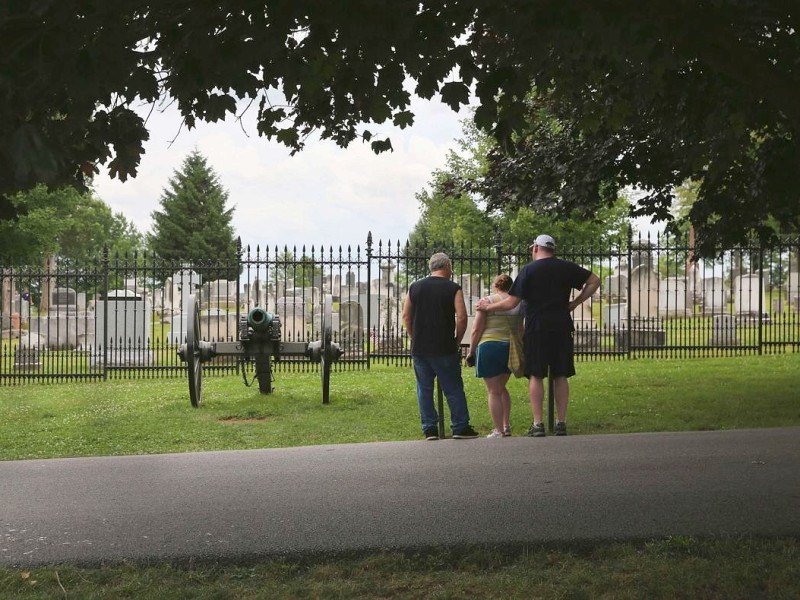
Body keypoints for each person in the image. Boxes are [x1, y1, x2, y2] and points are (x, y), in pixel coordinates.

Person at [477, 234, 600, 437]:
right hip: (561, 325)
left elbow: (511, 303)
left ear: (536, 248)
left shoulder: (528, 270)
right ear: (553, 249)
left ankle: (538, 424)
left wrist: (488, 307)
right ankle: (561, 422)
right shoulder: (566, 267)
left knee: (536, 375)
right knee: (561, 375)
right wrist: (576, 303)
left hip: (537, 328)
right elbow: (594, 280)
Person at [401, 253, 479, 440]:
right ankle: (460, 426)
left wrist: (414, 336)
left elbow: (406, 316)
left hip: (421, 347)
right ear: (447, 267)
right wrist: (457, 340)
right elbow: (461, 317)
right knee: (452, 388)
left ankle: (430, 428)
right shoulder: (453, 288)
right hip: (444, 346)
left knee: (424, 389)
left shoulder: (415, 287)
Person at [466, 274, 525, 438]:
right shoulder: (517, 303)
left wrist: (471, 351)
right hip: (510, 348)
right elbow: (521, 329)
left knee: (493, 391)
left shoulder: (487, 301)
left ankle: (498, 430)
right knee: (501, 388)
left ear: (495, 286)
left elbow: (476, 329)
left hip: (489, 346)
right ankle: (506, 426)